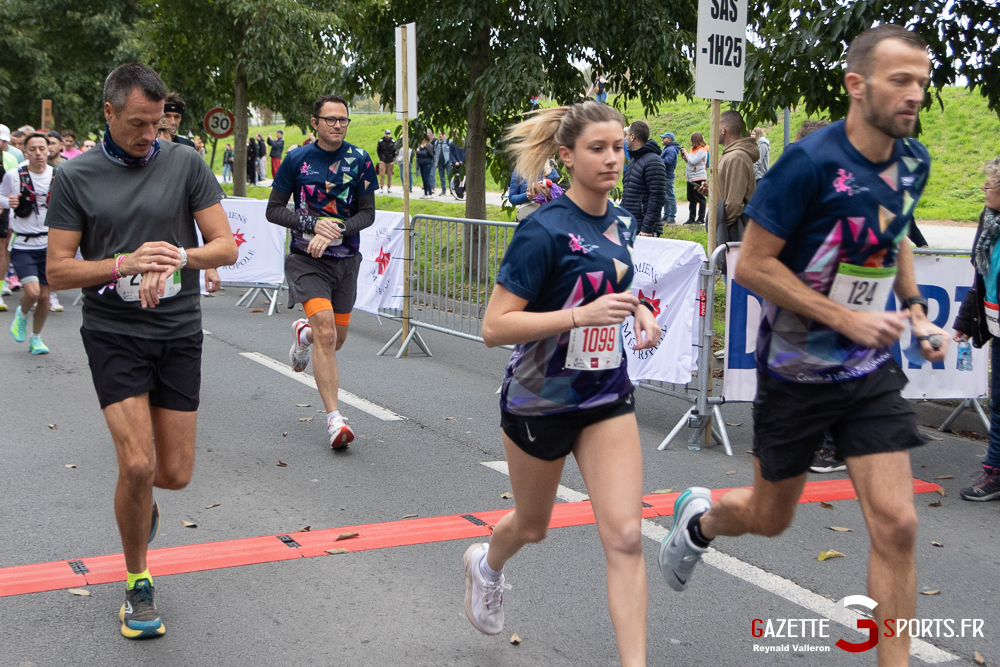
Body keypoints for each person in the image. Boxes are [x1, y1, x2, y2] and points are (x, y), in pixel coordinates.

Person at [658, 25, 948, 667]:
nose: (915, 95)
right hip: (796, 371)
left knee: (898, 525)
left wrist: (917, 311)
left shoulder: (912, 161)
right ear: (857, 85)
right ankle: (699, 521)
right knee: (769, 515)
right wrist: (844, 319)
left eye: (922, 83)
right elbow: (752, 265)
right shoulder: (809, 163)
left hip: (869, 371)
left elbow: (894, 233)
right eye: (901, 80)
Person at [465, 100, 661, 667]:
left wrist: (641, 311)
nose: (612, 159)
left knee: (625, 537)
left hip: (605, 396)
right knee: (533, 526)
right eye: (597, 148)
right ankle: (486, 565)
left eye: (619, 147)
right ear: (567, 156)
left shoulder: (623, 220)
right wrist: (578, 317)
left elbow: (616, 285)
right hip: (540, 401)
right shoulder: (542, 230)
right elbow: (493, 327)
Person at [45, 62, 236, 639]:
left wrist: (179, 256)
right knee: (137, 463)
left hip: (178, 330)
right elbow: (57, 271)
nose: (149, 135)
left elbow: (225, 246)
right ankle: (137, 584)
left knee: (172, 474)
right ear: (108, 113)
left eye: (156, 123)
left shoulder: (186, 164)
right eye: (136, 124)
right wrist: (126, 263)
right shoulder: (75, 177)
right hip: (113, 332)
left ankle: (141, 501)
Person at [265, 94, 377, 449]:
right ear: (315, 122)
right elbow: (273, 210)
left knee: (335, 338)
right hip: (306, 259)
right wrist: (314, 225)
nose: (338, 125)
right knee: (327, 333)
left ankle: (304, 334)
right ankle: (335, 420)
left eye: (343, 119)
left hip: (345, 260)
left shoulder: (360, 160)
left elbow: (368, 213)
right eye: (330, 119)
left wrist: (338, 229)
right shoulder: (296, 159)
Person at [951, 157, 1000, 502]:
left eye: (990, 184)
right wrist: (966, 322)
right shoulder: (990, 221)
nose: (984, 188)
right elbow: (980, 279)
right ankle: (995, 471)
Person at [0, 133, 54, 350]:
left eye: (42, 148)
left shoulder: (57, 175)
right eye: (33, 149)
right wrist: (8, 200)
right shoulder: (14, 175)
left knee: (45, 298)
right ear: (25, 152)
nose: (38, 153)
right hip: (22, 244)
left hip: (49, 244)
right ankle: (21, 316)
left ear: (49, 150)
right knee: (32, 292)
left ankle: (36, 338)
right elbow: (1, 195)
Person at [714, 110, 759, 246]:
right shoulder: (730, 155)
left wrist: (717, 226)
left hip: (733, 230)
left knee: (730, 267)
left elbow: (734, 204)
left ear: (723, 130)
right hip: (728, 227)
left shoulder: (737, 157)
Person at [621, 120, 667, 238]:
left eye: (626, 135)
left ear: (632, 137)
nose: (624, 139)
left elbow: (657, 197)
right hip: (630, 228)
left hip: (644, 231)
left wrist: (647, 228)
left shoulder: (653, 161)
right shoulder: (633, 162)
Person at [680, 132, 709, 225]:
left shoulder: (702, 150)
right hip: (691, 178)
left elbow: (693, 161)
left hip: (698, 177)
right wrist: (685, 158)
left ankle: (701, 218)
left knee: (700, 198)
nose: (690, 141)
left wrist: (686, 153)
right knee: (691, 198)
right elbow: (690, 162)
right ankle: (691, 218)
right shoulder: (693, 150)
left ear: (695, 140)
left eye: (691, 139)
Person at [659, 132, 681, 224]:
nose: (662, 140)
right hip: (665, 175)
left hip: (668, 175)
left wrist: (658, 160)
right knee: (666, 196)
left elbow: (668, 161)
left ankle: (671, 216)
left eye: (664, 138)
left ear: (669, 139)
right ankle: (666, 215)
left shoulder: (671, 149)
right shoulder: (667, 148)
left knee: (670, 196)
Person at [376, 129, 396, 194]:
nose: (387, 135)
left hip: (390, 160)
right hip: (383, 160)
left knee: (389, 175)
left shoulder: (393, 142)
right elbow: (378, 151)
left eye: (388, 134)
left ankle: (389, 187)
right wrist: (381, 157)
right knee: (382, 175)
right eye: (386, 134)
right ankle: (381, 187)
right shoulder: (381, 142)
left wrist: (392, 157)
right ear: (384, 134)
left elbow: (394, 151)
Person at [416, 132, 435, 198]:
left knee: (427, 178)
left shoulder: (429, 145)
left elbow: (426, 154)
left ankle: (429, 193)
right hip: (422, 164)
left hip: (427, 163)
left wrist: (418, 152)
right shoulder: (421, 145)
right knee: (424, 179)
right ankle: (425, 193)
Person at [434, 130, 451, 196]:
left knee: (449, 175)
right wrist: (436, 162)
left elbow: (451, 152)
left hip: (447, 161)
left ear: (444, 135)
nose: (440, 135)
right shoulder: (437, 143)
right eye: (439, 134)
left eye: (441, 134)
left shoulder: (449, 142)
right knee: (442, 177)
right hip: (440, 162)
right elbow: (435, 153)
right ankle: (443, 190)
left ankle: (451, 189)